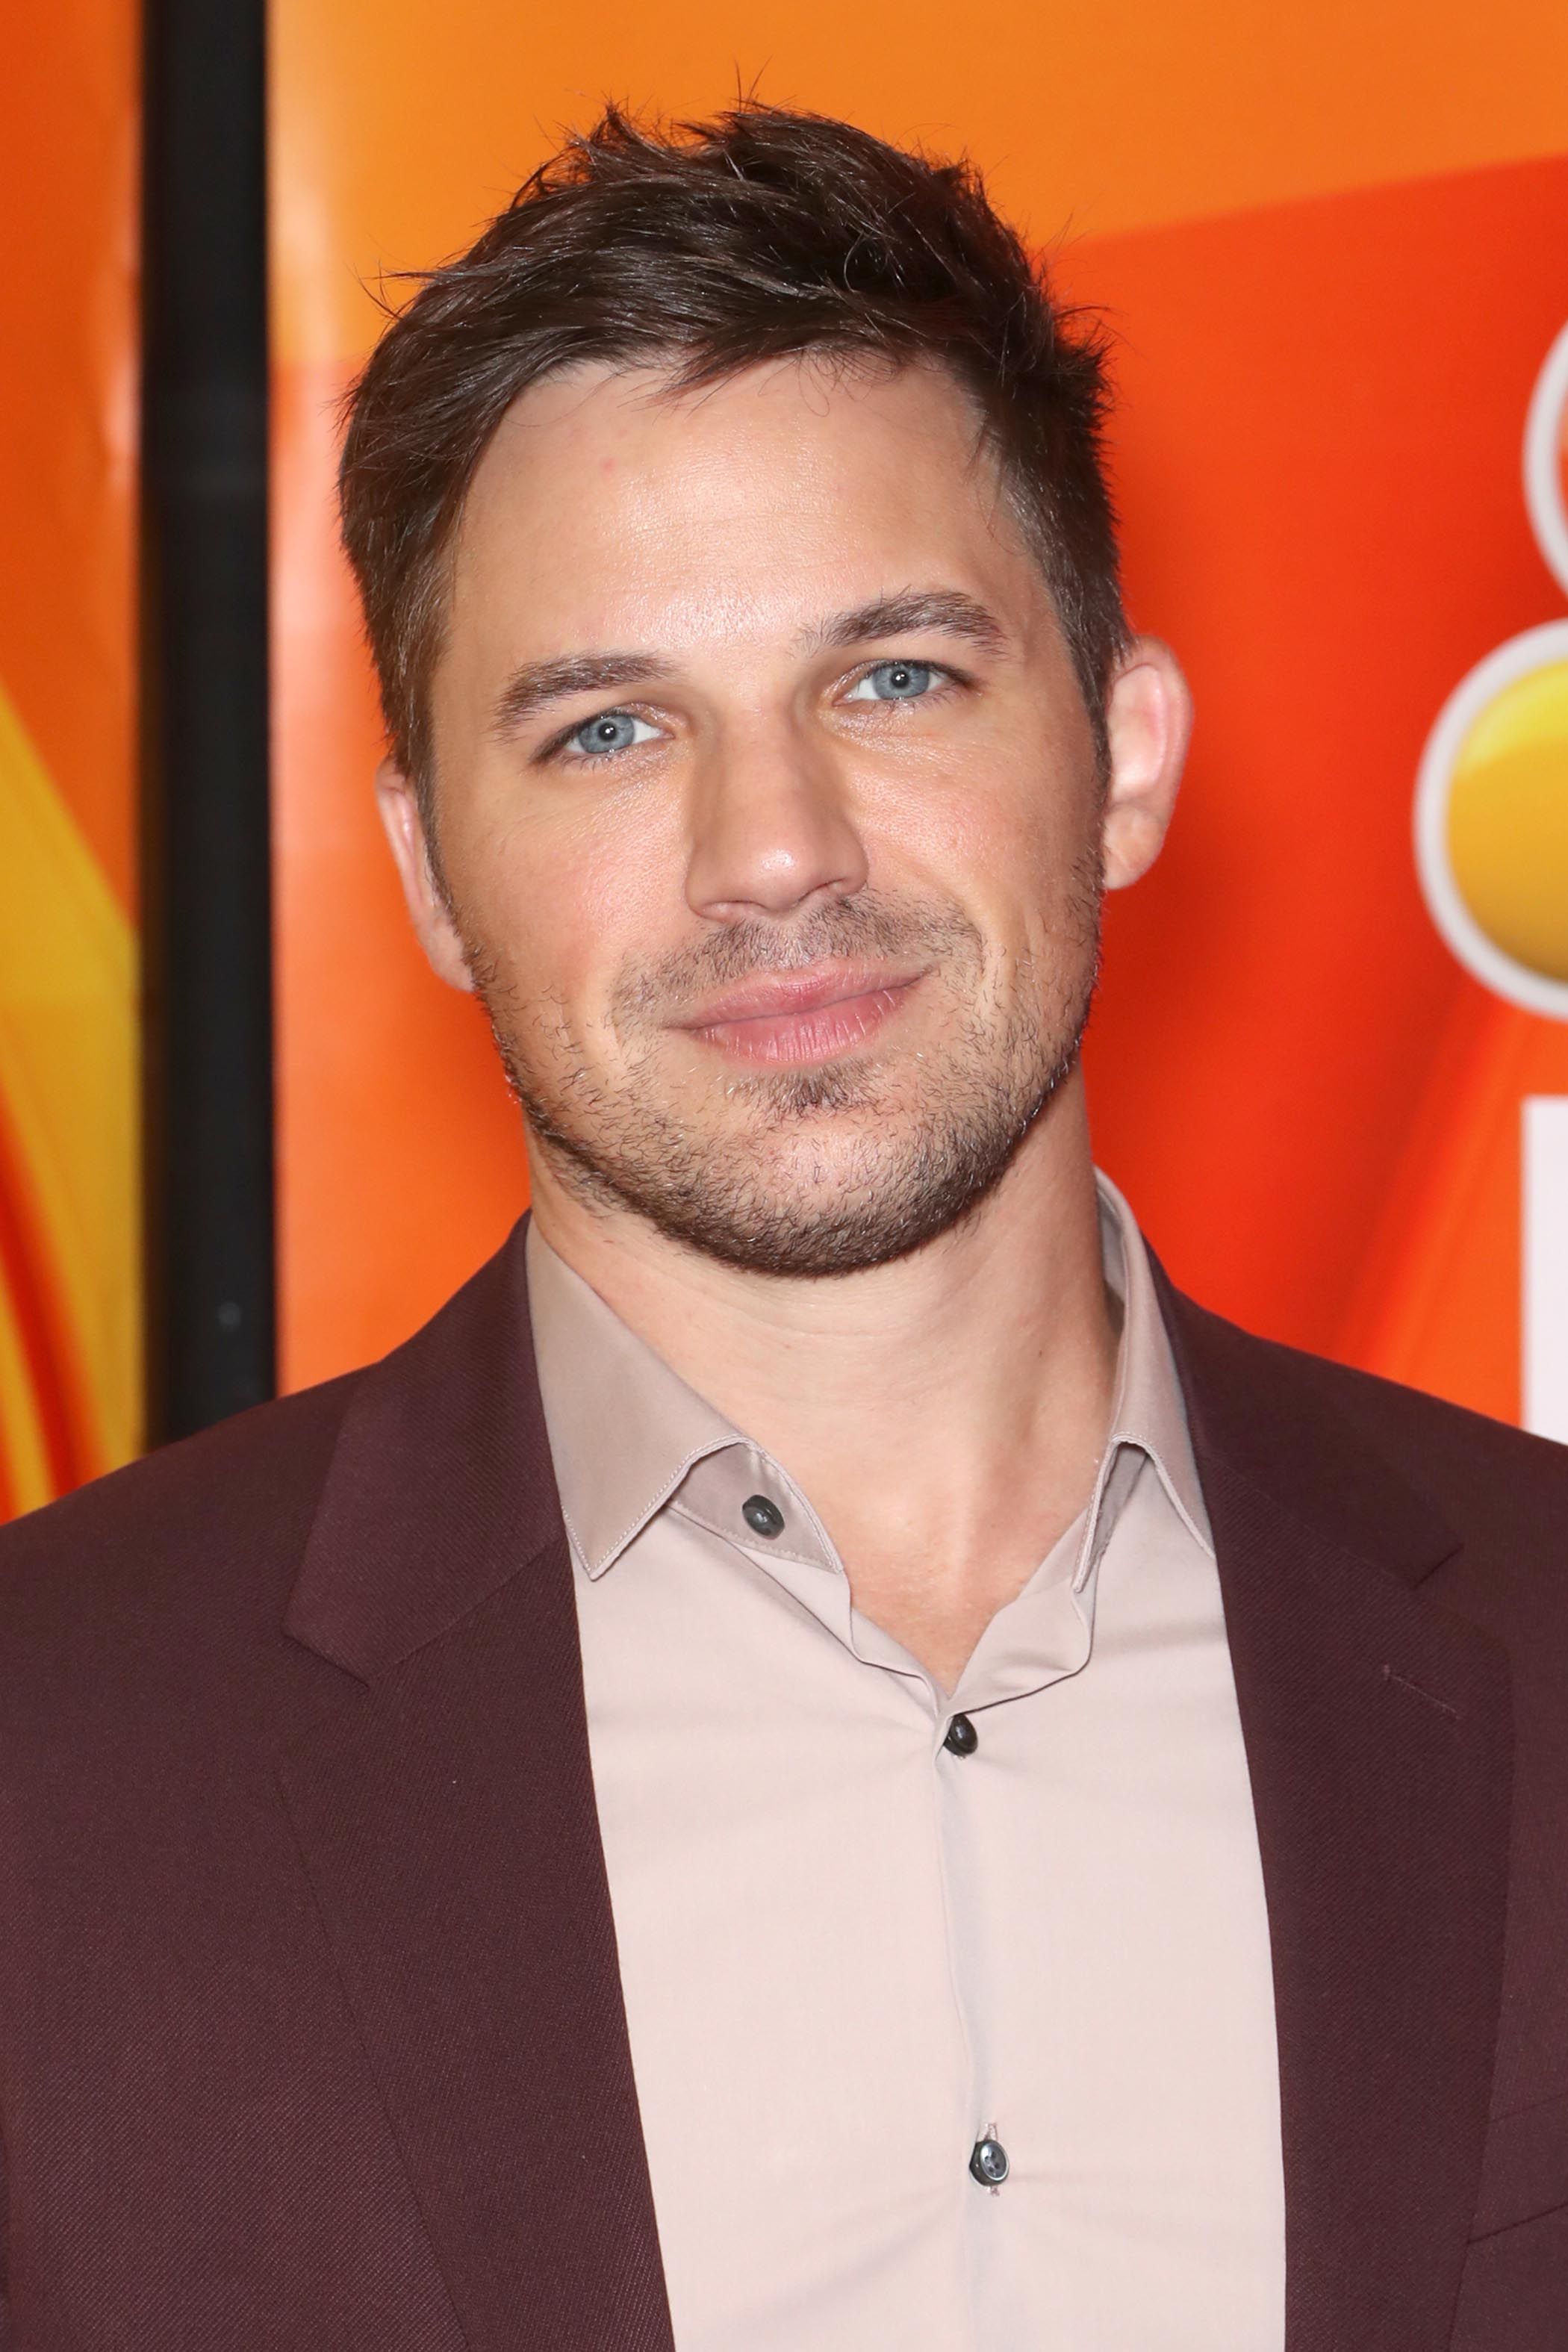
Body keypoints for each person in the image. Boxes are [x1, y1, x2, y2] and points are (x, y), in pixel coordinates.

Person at [1, 103, 1564, 2352]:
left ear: (1120, 754)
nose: (771, 848)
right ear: (431, 871)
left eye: (894, 678)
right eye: (611, 729)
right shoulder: (46, 1764)